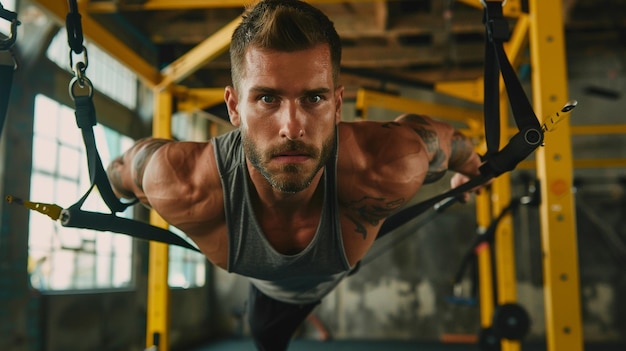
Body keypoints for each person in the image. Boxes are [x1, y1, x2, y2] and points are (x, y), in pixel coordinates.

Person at [107, 0, 484, 349]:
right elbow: (123, 171)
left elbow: (449, 145)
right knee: (268, 341)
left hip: (338, 259)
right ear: (234, 107)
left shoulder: (385, 167)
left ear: (337, 105)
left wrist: (471, 168)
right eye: (268, 98)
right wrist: (106, 188)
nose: (292, 127)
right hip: (270, 293)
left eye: (313, 98)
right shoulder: (183, 184)